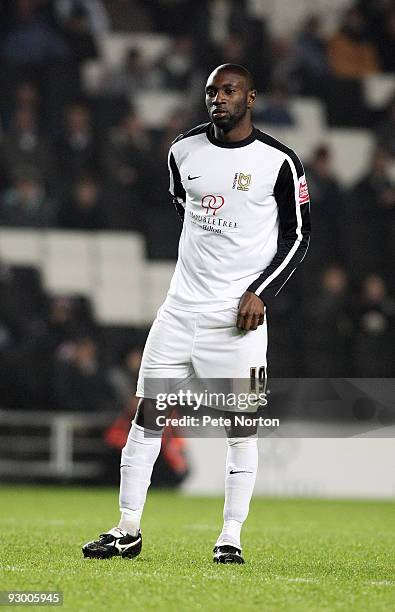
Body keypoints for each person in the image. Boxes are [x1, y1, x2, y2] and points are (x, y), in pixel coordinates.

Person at [82, 64, 311, 564]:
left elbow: (298, 236)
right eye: (212, 92)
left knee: (241, 428)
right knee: (147, 417)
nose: (218, 99)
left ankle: (230, 536)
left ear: (251, 97)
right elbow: (182, 204)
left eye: (229, 91)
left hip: (238, 322)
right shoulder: (182, 151)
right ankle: (127, 529)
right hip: (178, 311)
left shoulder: (280, 162)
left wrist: (259, 291)